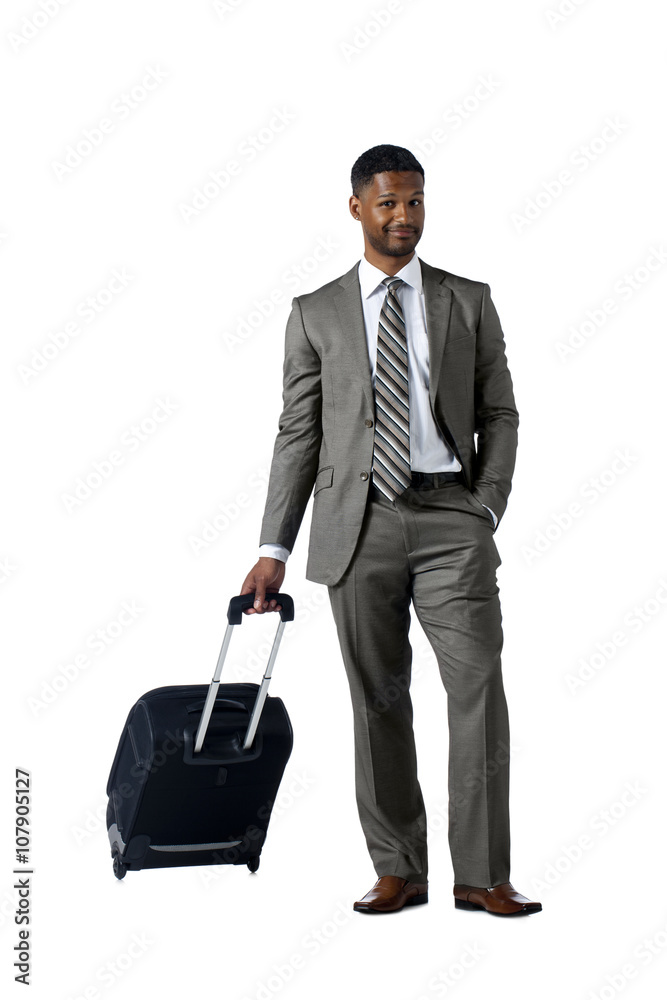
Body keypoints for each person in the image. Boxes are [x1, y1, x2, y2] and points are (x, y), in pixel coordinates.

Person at [240, 144, 541, 916]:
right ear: (356, 209)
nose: (402, 216)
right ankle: (398, 869)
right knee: (376, 699)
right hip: (355, 525)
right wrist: (271, 550)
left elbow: (500, 411)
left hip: (450, 520)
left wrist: (486, 505)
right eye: (387, 203)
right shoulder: (314, 313)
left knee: (476, 689)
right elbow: (297, 434)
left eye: (413, 202)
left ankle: (481, 875)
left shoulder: (466, 300)